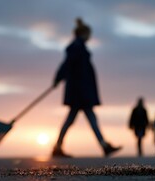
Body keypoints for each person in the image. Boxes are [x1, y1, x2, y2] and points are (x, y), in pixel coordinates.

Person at [52, 18, 121, 158]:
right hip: (80, 91)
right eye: (89, 34)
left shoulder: (79, 47)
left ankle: (59, 147)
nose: (90, 36)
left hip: (80, 90)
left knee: (79, 119)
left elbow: (68, 65)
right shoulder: (77, 47)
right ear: (84, 34)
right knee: (84, 118)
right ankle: (103, 146)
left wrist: (58, 78)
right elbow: (67, 64)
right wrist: (58, 78)